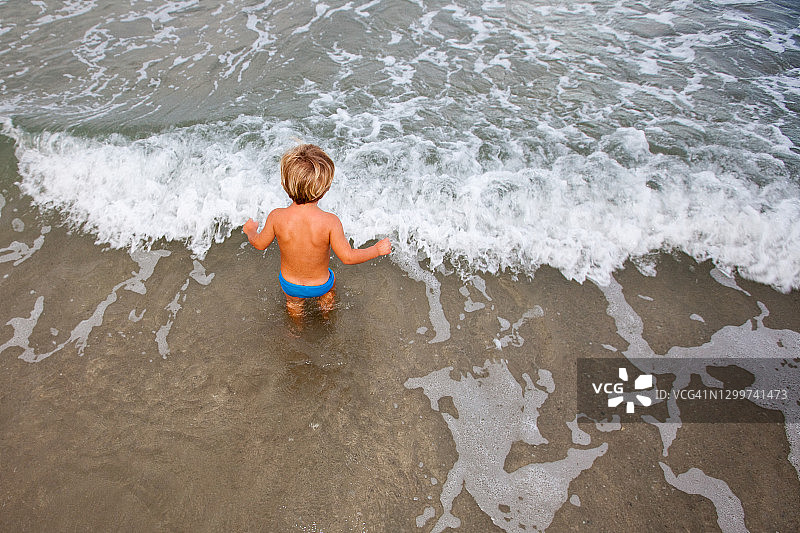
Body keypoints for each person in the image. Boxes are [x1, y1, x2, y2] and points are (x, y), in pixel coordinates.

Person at [243, 144, 391, 321]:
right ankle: (326, 314)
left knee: (294, 305)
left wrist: (251, 231)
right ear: (325, 189)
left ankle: (296, 329)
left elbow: (259, 244)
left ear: (284, 184)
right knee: (330, 284)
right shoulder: (330, 222)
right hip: (320, 285)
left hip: (290, 285)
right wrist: (376, 250)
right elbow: (348, 257)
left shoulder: (277, 217)